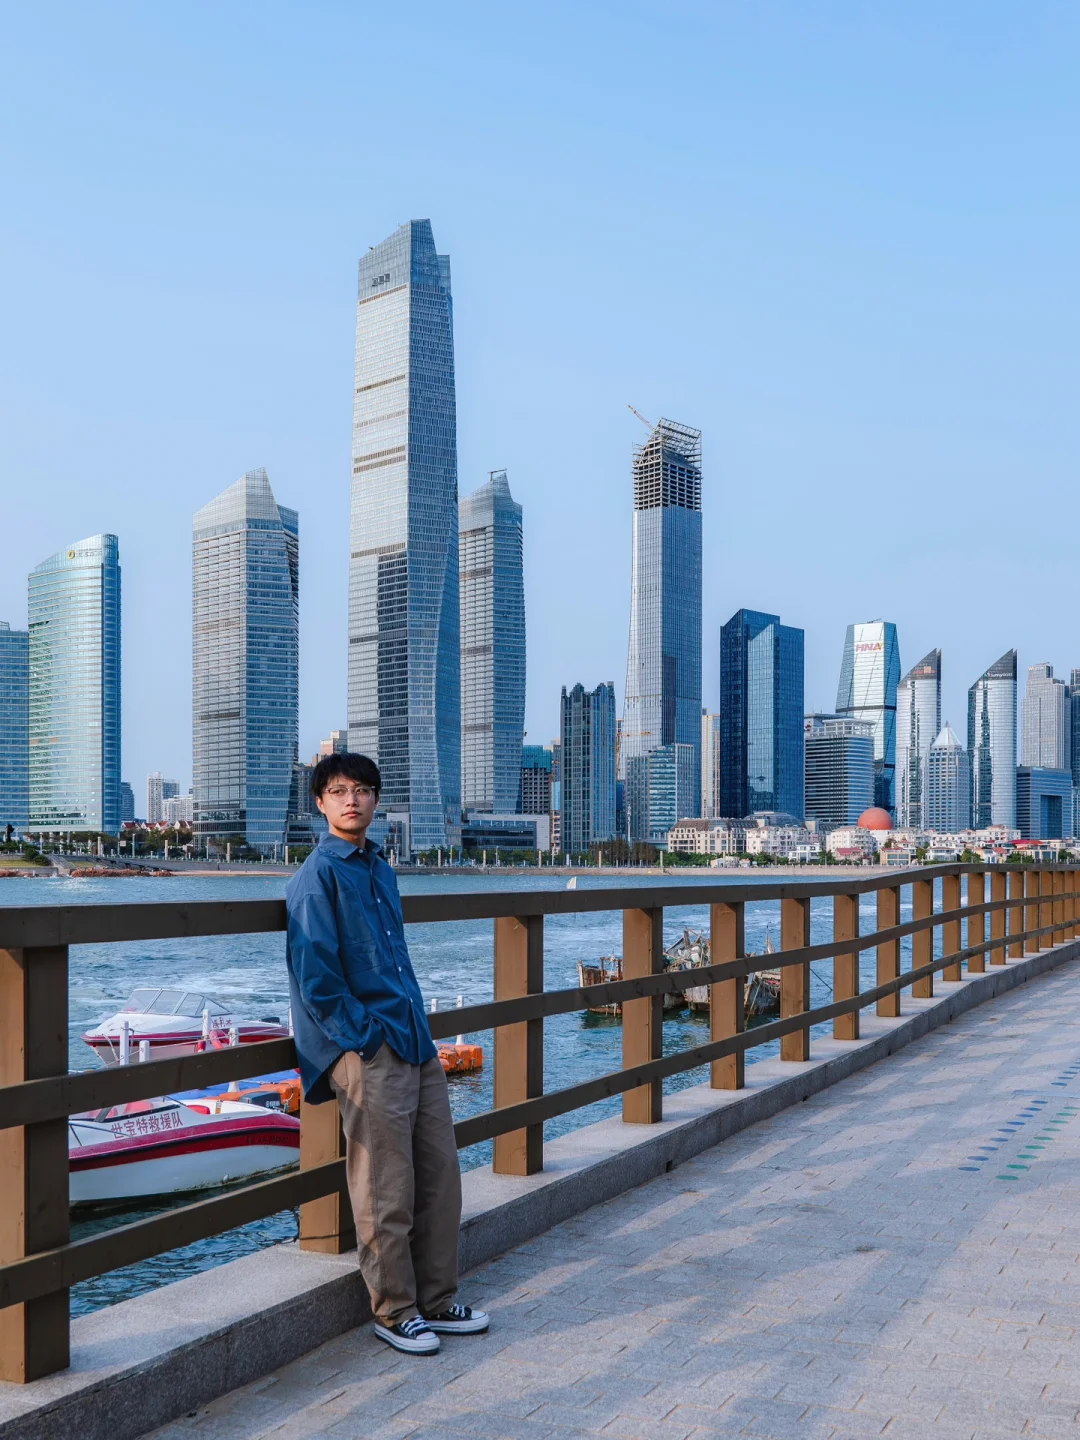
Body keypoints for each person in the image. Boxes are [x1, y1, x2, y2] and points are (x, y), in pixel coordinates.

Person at [285, 751, 488, 1356]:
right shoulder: (316, 876)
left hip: (415, 1037)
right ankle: (395, 1311)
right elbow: (316, 979)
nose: (353, 800)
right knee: (384, 1184)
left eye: (364, 790)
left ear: (377, 800)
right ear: (320, 802)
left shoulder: (379, 867)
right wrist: (366, 1041)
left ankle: (438, 1298)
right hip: (371, 1047)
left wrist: (403, 1031)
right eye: (340, 791)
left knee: (441, 1173)